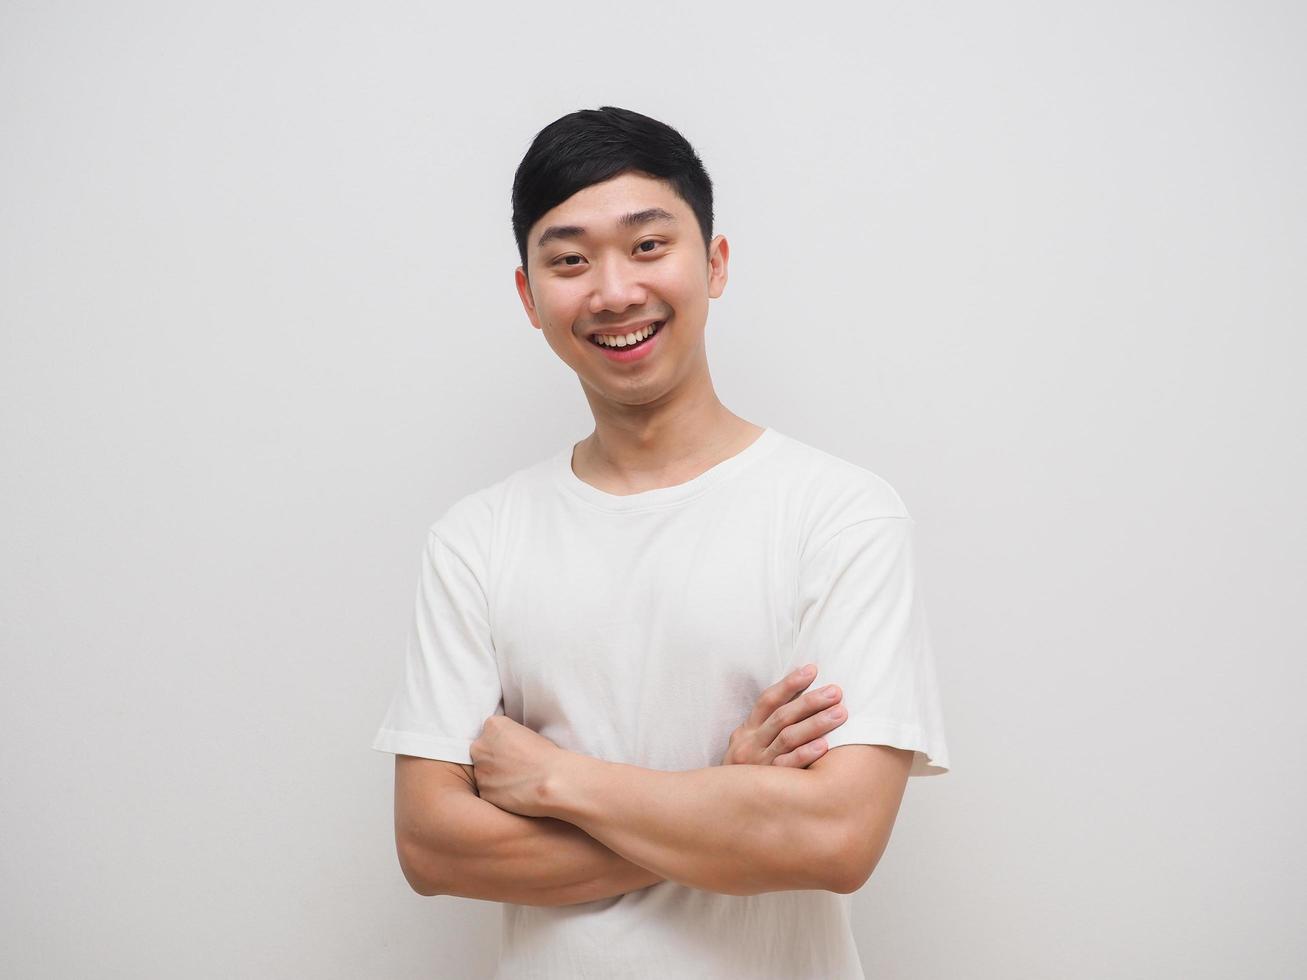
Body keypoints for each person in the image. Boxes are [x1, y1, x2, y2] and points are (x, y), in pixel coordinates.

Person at [371, 105, 951, 979]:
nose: (612, 292)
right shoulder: (477, 539)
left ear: (712, 264)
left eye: (648, 246)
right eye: (569, 260)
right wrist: (723, 796)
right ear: (530, 297)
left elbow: (834, 840)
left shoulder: (840, 515)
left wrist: (556, 782)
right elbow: (433, 849)